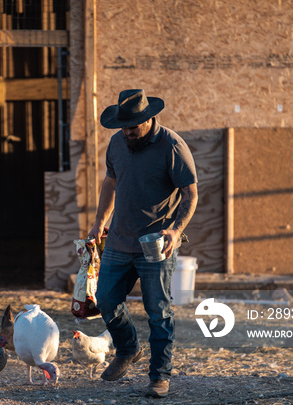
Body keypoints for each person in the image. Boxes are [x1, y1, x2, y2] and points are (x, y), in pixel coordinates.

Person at [88, 89, 198, 398]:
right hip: (119, 241)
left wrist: (175, 231)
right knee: (106, 300)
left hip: (155, 244)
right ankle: (128, 348)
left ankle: (159, 376)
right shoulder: (117, 143)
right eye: (123, 126)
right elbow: (111, 182)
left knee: (158, 312)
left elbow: (190, 194)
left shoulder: (171, 146)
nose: (127, 132)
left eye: (133, 126)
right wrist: (99, 222)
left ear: (149, 119)